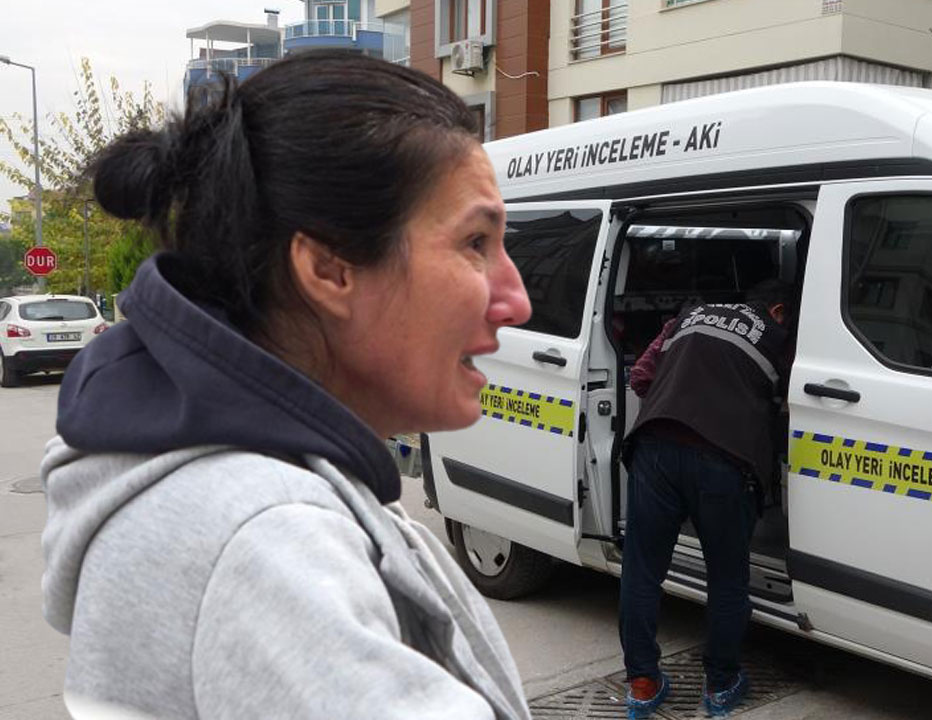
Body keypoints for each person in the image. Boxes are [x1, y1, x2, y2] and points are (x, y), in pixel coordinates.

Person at [41, 50, 533, 720]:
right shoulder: (266, 542)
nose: (516, 299)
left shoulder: (242, 488)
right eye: (476, 243)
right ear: (328, 270)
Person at [619, 280, 795, 718]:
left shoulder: (687, 318)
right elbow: (795, 405)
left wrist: (681, 398)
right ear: (777, 310)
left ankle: (642, 684)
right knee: (726, 577)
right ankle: (720, 685)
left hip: (655, 448)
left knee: (641, 572)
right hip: (724, 461)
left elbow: (640, 376)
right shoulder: (778, 338)